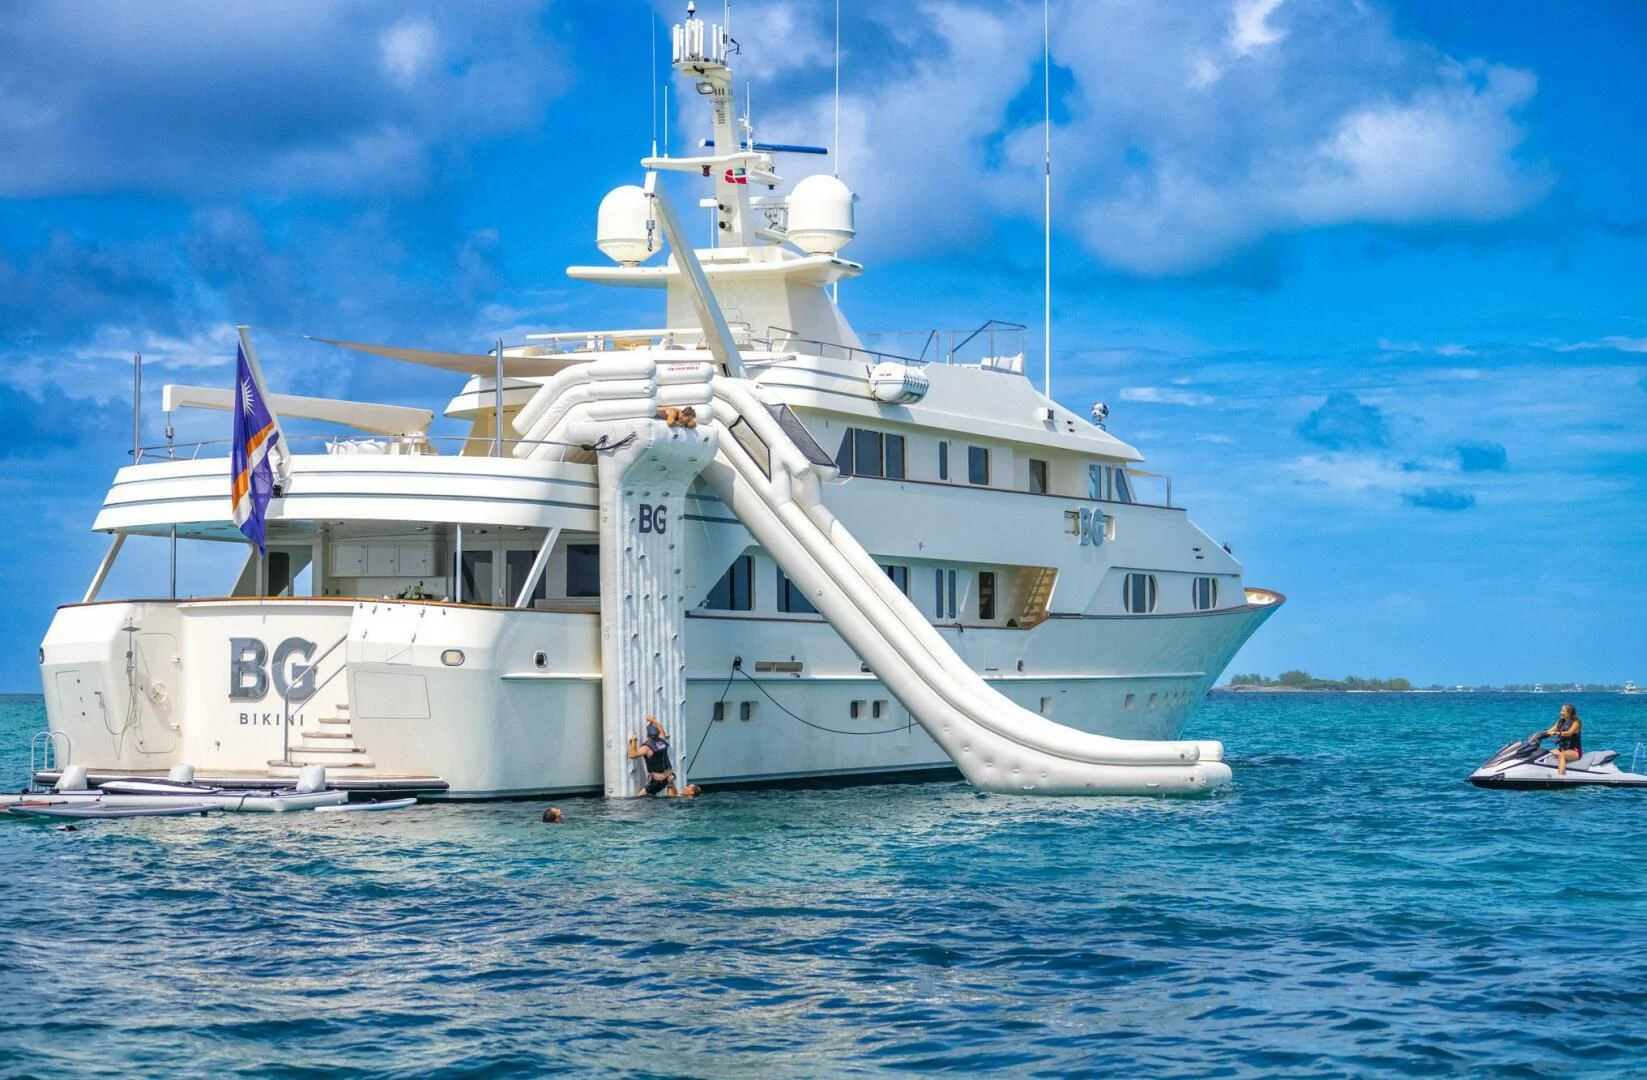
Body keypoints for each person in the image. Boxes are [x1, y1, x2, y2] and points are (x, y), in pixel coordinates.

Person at [627, 717, 675, 795]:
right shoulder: (662, 740)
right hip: (669, 777)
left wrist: (634, 742)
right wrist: (654, 720)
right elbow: (662, 731)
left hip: (658, 782)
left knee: (640, 797)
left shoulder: (647, 747)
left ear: (648, 736)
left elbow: (632, 755)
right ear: (657, 734)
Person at [1535, 704, 1583, 775]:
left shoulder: (1576, 722)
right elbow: (1550, 731)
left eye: (1563, 711)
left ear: (1569, 713)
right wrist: (1538, 735)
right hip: (1563, 749)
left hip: (1575, 751)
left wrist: (1556, 733)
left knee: (1562, 755)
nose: (1560, 712)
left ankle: (1561, 777)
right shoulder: (1560, 721)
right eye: (1561, 710)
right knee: (1544, 753)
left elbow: (1569, 733)